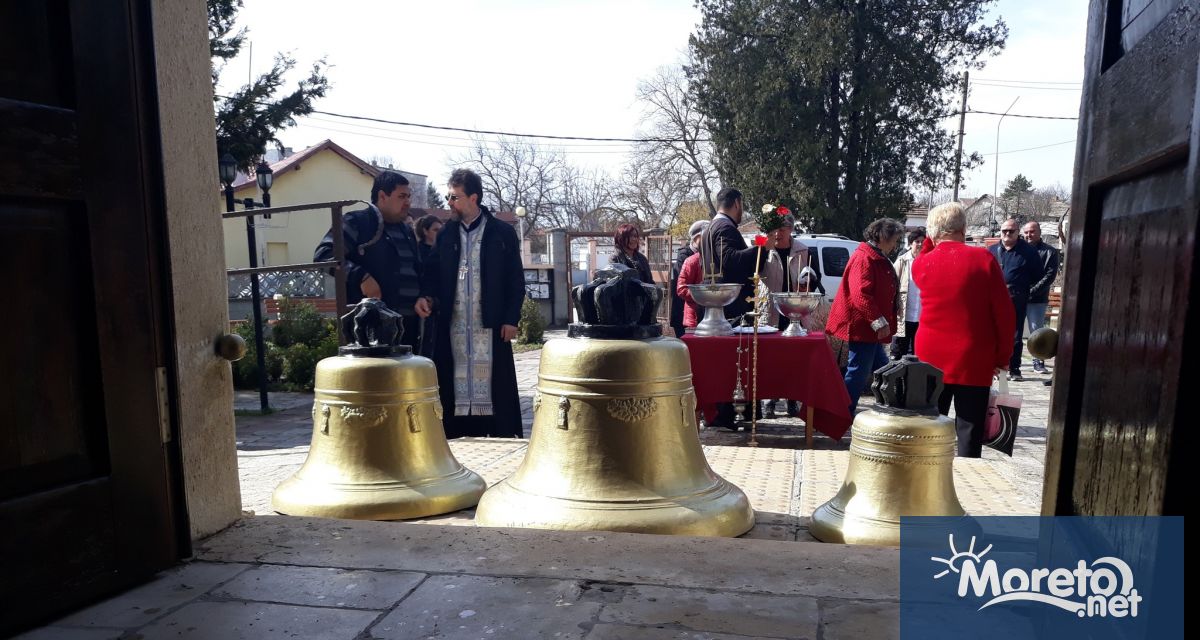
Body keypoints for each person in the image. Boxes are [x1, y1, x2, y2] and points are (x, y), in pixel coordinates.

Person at [415, 169, 524, 439]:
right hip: (454, 328)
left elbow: (515, 280)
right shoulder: (446, 235)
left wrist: (511, 318)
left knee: (495, 387)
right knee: (452, 382)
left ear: (473, 198)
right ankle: (457, 434)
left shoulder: (502, 233)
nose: (449, 203)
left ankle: (498, 435)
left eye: (454, 197)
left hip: (492, 326)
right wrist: (426, 297)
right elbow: (431, 273)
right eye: (448, 196)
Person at [914, 202, 1014, 457]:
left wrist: (930, 238)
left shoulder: (922, 264)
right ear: (964, 228)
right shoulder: (983, 259)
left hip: (931, 355)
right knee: (970, 428)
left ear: (933, 232)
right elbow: (1004, 315)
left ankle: (926, 483)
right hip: (974, 355)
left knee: (929, 428)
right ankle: (967, 481)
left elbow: (925, 251)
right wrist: (1002, 358)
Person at [315, 171, 422, 348]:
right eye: (402, 196)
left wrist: (423, 297)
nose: (408, 202)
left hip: (407, 328)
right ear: (382, 196)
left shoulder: (407, 232)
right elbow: (323, 255)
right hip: (372, 329)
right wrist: (361, 277)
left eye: (409, 196)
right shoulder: (357, 223)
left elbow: (418, 271)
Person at [698, 187, 767, 428]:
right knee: (734, 365)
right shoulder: (725, 228)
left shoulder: (709, 228)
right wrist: (760, 249)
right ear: (736, 203)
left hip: (716, 308)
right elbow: (730, 260)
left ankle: (723, 413)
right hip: (730, 308)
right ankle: (728, 414)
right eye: (743, 205)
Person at [826, 218, 904, 413]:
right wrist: (878, 321)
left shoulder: (873, 255)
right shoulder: (864, 258)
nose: (895, 245)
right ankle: (842, 412)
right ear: (883, 237)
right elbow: (861, 294)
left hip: (869, 329)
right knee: (859, 372)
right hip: (863, 327)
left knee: (884, 370)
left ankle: (890, 410)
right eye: (894, 239)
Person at [760, 214, 814, 418]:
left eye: (783, 228)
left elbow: (811, 279)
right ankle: (770, 401)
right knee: (772, 360)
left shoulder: (802, 250)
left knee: (794, 360)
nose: (779, 232)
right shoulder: (766, 249)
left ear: (791, 229)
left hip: (795, 312)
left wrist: (808, 280)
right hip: (771, 311)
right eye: (776, 228)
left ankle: (793, 400)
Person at [988, 218, 1043, 381]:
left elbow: (1038, 275)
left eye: (1010, 231)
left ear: (1017, 232)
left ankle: (1014, 368)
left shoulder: (1029, 251)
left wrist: (1022, 287)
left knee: (1015, 334)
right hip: (994, 298)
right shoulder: (991, 250)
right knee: (993, 333)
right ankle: (995, 367)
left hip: (1017, 297)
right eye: (1004, 230)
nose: (1006, 234)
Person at [1022, 220, 1060, 375]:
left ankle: (1038, 362)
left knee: (1036, 331)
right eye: (1026, 232)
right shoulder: (1018, 249)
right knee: (1012, 332)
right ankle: (1012, 363)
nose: (1029, 235)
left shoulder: (1050, 252)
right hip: (1017, 297)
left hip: (1037, 299)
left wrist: (1031, 291)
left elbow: (1049, 276)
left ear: (1039, 232)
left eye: (1032, 231)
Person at [890, 227, 926, 359]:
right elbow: (891, 284)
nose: (920, 244)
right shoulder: (902, 261)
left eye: (923, 241)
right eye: (917, 241)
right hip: (904, 316)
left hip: (922, 318)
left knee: (919, 356)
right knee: (899, 355)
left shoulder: (928, 261)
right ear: (911, 243)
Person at [669, 220, 709, 338]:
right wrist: (704, 295)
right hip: (685, 311)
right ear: (696, 238)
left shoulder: (708, 255)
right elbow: (681, 287)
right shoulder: (685, 257)